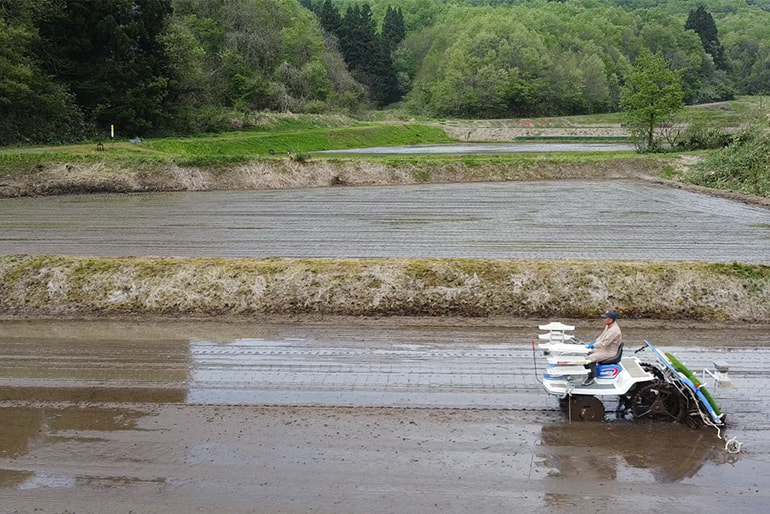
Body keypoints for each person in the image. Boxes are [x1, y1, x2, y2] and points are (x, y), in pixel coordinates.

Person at [584, 310, 622, 385]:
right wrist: (594, 342)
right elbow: (601, 337)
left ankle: (592, 377)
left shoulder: (613, 331)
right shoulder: (608, 326)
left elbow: (604, 344)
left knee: (591, 358)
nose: (604, 319)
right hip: (605, 348)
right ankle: (588, 370)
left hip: (610, 352)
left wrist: (592, 346)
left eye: (605, 318)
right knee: (587, 352)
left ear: (611, 319)